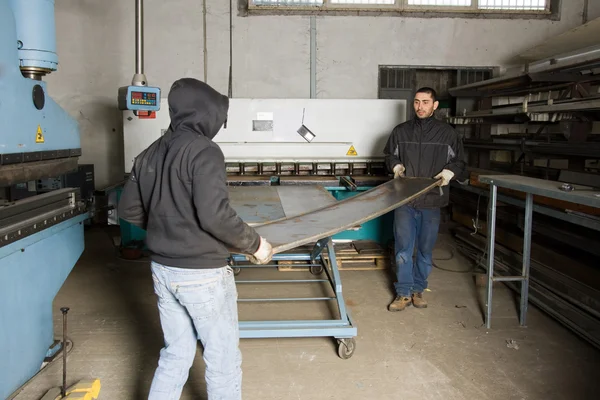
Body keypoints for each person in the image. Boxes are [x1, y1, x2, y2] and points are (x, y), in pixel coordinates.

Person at [118, 77, 273, 400]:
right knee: (223, 360)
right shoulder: (205, 151)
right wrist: (256, 244)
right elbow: (215, 215)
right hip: (202, 275)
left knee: (176, 354)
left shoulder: (149, 153)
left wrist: (169, 228)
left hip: (162, 269)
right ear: (206, 113)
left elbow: (129, 209)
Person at [383, 87, 465, 312]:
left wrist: (450, 172)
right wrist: (396, 166)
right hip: (405, 200)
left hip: (432, 201)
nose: (420, 106)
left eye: (426, 102)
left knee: (425, 250)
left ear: (435, 105)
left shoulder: (447, 133)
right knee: (403, 249)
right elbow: (390, 155)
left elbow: (459, 162)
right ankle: (403, 293)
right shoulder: (400, 131)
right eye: (417, 102)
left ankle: (418, 289)